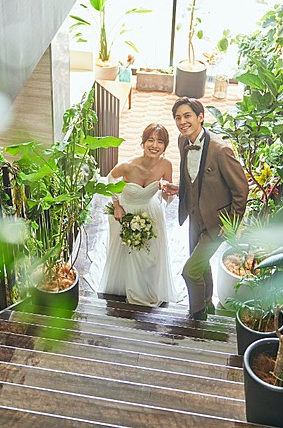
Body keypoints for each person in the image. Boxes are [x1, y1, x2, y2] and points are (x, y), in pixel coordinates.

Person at [162, 97, 248, 320]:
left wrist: (232, 224)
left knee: (190, 271)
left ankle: (197, 314)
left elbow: (241, 189)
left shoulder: (220, 150)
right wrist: (180, 188)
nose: (182, 122)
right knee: (201, 264)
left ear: (200, 117)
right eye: (178, 118)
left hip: (217, 224)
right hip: (194, 218)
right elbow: (194, 179)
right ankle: (207, 304)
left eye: (187, 116)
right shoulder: (182, 141)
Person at [98, 123, 177, 306]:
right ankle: (127, 286)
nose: (154, 145)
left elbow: (168, 195)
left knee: (149, 254)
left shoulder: (166, 165)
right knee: (127, 252)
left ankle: (147, 287)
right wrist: (116, 205)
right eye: (150, 140)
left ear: (165, 146)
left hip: (150, 210)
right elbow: (110, 179)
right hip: (127, 210)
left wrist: (166, 192)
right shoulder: (128, 166)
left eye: (160, 142)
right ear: (143, 143)